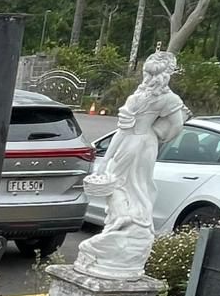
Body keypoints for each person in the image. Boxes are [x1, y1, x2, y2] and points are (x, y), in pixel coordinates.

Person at [74, 51, 187, 278]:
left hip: (137, 142)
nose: (147, 77)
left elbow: (173, 125)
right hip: (138, 141)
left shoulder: (154, 97)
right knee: (128, 184)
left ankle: (128, 220)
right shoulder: (157, 97)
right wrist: (155, 134)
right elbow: (174, 125)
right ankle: (123, 218)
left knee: (130, 184)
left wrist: (154, 134)